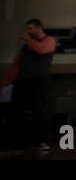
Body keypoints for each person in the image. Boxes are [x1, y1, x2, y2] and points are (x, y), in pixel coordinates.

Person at [0, 19, 55, 152]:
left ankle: (40, 142)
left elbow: (42, 50)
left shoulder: (49, 40)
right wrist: (6, 80)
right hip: (23, 81)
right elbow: (17, 64)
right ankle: (14, 144)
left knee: (39, 112)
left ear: (39, 28)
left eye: (30, 28)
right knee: (15, 112)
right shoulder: (26, 47)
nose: (28, 31)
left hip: (39, 82)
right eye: (27, 29)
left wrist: (28, 40)